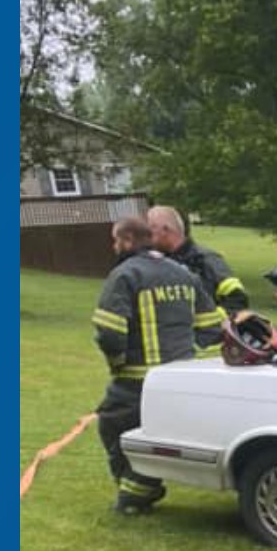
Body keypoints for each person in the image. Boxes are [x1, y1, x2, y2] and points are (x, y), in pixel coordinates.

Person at [91, 215, 223, 514]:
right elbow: (212, 326)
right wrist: (188, 356)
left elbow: (110, 333)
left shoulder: (125, 275)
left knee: (114, 428)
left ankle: (135, 495)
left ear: (125, 241)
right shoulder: (183, 273)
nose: (114, 246)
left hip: (137, 380)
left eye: (115, 240)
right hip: (180, 379)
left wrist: (117, 365)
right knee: (154, 434)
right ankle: (138, 493)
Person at [147, 205, 250, 319]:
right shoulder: (152, 261)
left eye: (150, 229)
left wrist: (207, 322)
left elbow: (237, 300)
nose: (145, 235)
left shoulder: (207, 260)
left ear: (166, 230)